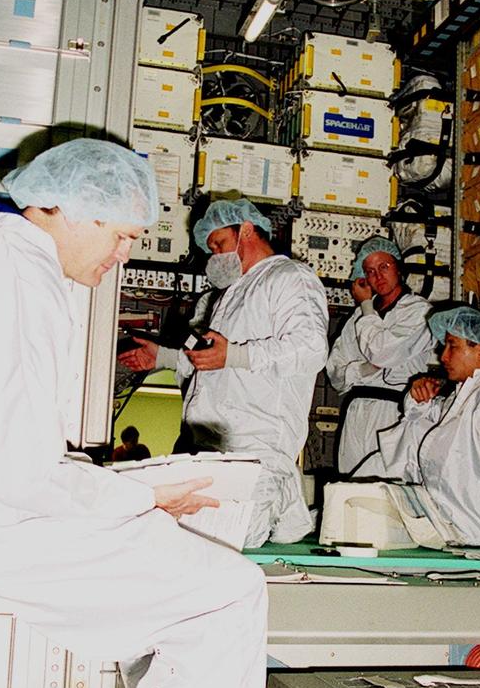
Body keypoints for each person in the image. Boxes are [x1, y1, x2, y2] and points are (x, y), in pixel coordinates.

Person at [0, 139, 268, 688]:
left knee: (183, 565)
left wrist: (117, 487)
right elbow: (21, 474)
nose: (125, 256)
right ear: (80, 209)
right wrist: (145, 496)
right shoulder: (8, 273)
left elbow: (13, 448)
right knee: (230, 593)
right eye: (124, 236)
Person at [117, 198, 328, 548]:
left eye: (219, 244)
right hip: (213, 447)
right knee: (201, 543)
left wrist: (236, 354)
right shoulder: (230, 295)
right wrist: (164, 358)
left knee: (231, 544)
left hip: (255, 445)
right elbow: (211, 363)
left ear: (246, 230)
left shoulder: (289, 278)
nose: (215, 256)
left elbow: (310, 349)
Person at [377, 305, 480, 546]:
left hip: (479, 539)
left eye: (452, 346)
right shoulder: (464, 395)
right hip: (451, 535)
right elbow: (424, 423)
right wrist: (418, 396)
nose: (443, 356)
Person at [325, 236, 435, 477]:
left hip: (394, 412)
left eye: (384, 266)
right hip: (356, 412)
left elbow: (381, 351)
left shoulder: (419, 311)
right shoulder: (356, 319)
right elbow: (335, 373)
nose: (378, 276)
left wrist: (366, 306)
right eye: (370, 271)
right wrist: (363, 370)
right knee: (349, 489)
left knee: (387, 491)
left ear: (398, 267)